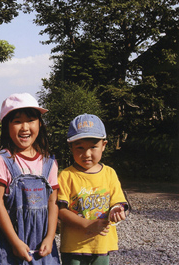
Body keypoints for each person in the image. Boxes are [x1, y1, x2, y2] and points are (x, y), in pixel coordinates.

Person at [0, 93, 60, 265]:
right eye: (17, 121)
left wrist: (50, 238)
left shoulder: (49, 162)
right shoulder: (1, 160)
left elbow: (53, 203)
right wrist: (15, 242)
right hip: (9, 246)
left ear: (40, 124)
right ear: (7, 126)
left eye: (30, 120)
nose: (25, 127)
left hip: (43, 247)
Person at [58, 113, 129, 265]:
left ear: (103, 146)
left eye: (93, 147)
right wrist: (87, 224)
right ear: (71, 147)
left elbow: (120, 202)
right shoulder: (66, 175)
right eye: (80, 148)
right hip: (73, 247)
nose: (87, 154)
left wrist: (118, 210)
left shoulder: (109, 173)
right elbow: (61, 211)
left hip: (101, 244)